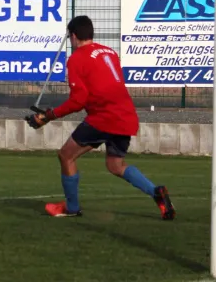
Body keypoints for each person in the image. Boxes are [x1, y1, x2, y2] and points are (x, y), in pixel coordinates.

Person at [24, 15, 175, 220]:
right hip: (126, 116)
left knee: (66, 155)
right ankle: (157, 192)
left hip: (104, 118)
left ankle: (72, 207)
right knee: (116, 165)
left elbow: (78, 101)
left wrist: (49, 116)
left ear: (74, 36)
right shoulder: (109, 52)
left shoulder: (77, 58)